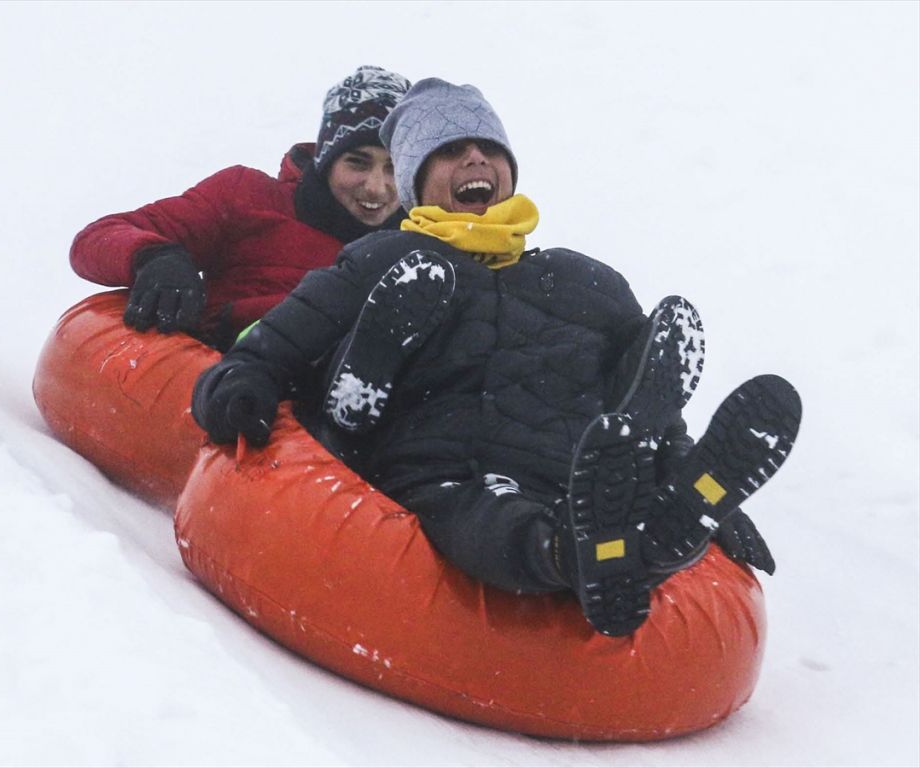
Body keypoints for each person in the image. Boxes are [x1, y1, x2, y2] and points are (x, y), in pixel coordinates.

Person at [189, 79, 802, 636]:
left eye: (489, 149)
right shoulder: (380, 257)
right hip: (437, 466)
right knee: (483, 508)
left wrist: (698, 485)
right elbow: (271, 347)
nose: (475, 159)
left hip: (577, 473)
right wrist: (241, 385)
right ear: (416, 181)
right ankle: (362, 400)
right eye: (451, 151)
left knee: (604, 477)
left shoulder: (587, 282)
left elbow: (650, 408)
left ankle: (666, 526)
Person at [69, 65, 411, 350]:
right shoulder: (246, 198)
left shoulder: (422, 242)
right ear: (326, 161)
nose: (376, 186)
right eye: (357, 163)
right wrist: (155, 258)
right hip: (225, 384)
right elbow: (96, 239)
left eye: (393, 168)